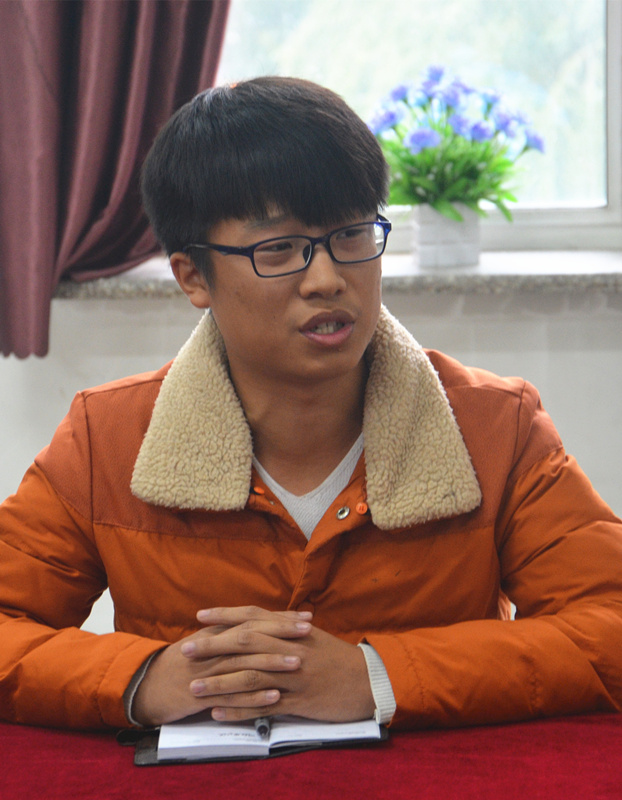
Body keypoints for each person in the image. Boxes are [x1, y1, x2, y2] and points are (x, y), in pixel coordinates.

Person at [0, 76, 621, 732]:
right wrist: (144, 679)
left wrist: (377, 676)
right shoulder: (107, 438)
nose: (327, 279)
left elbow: (609, 625)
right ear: (193, 276)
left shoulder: (498, 428)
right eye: (279, 250)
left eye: (351, 235)